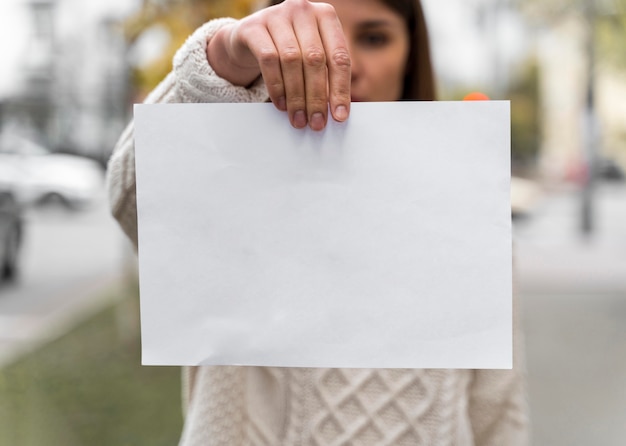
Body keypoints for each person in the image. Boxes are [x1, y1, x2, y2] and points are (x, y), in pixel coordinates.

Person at [107, 0, 529, 444]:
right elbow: (131, 197)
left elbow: (499, 412)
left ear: (410, 55)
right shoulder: (232, 181)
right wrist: (223, 62)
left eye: (373, 37)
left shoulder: (463, 211)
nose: (338, 61)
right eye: (306, 34)